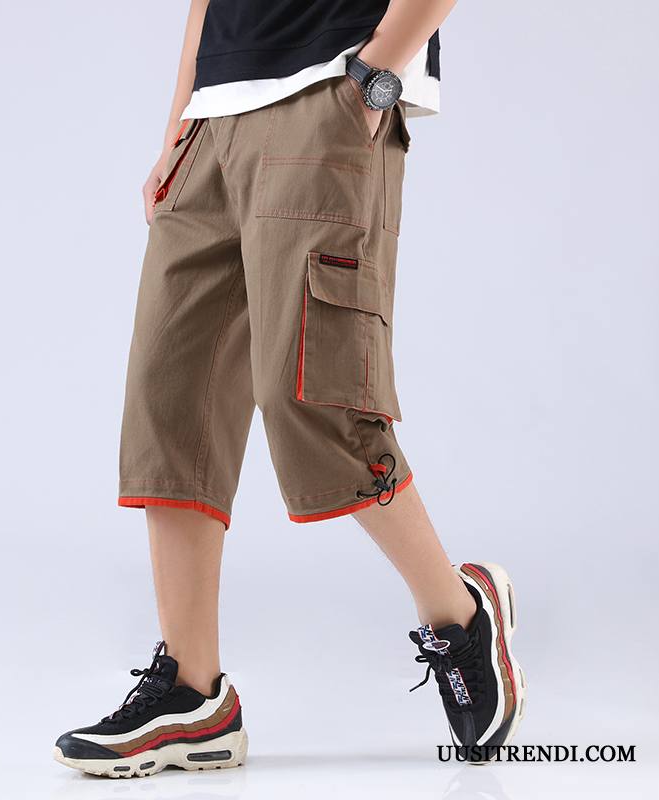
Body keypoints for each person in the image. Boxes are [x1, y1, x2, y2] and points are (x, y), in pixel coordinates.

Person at [53, 0, 525, 777]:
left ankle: (459, 612)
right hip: (211, 120)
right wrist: (178, 125)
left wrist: (374, 76)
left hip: (325, 91)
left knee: (315, 392)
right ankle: (192, 696)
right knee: (169, 403)